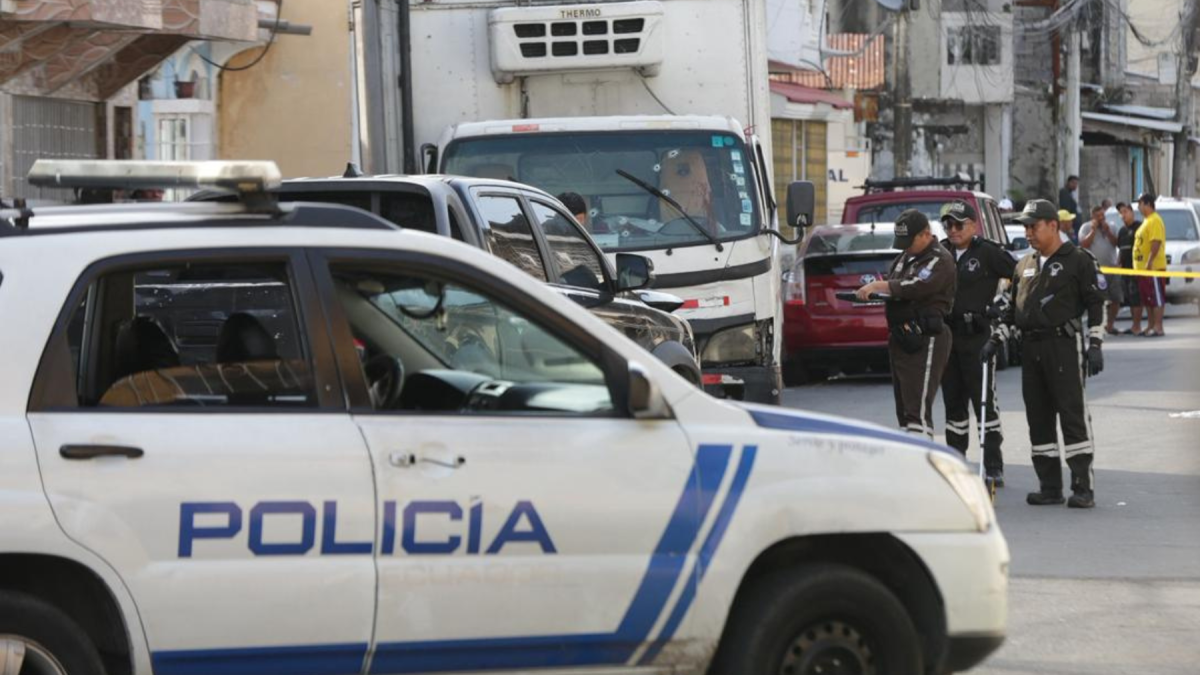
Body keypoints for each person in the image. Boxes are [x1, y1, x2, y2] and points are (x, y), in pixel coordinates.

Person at [987, 199, 1106, 509]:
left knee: (1072, 415)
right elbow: (1011, 310)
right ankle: (1049, 486)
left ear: (1053, 225)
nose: (1028, 232)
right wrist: (997, 338)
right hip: (1031, 348)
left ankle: (1082, 487)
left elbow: (1096, 304)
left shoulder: (1078, 260)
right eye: (1025, 227)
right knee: (1038, 418)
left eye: (1033, 226)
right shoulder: (1024, 265)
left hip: (1063, 347)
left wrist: (1095, 344)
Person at [856, 209, 956, 439]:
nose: (905, 246)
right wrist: (874, 292)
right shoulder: (904, 257)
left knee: (917, 411)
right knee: (905, 410)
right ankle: (910, 461)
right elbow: (896, 284)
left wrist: (877, 287)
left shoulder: (939, 259)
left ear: (925, 234)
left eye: (909, 241)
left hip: (926, 336)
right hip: (902, 336)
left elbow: (915, 285)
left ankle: (923, 466)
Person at [939, 201, 1015, 485]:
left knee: (984, 403)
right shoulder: (941, 252)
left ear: (973, 225)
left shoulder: (988, 252)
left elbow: (1021, 276)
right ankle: (956, 465)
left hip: (977, 336)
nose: (953, 230)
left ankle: (993, 466)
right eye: (948, 225)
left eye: (959, 224)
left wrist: (1002, 303)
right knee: (953, 406)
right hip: (948, 337)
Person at [1079, 205, 1122, 335]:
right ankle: (1096, 327)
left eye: (1103, 216)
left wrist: (1108, 232)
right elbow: (1083, 245)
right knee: (1096, 300)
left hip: (1112, 269)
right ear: (1092, 216)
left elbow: (1117, 243)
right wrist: (1093, 231)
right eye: (1098, 216)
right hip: (1095, 270)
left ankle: (1110, 325)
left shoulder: (1112, 226)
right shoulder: (1086, 227)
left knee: (1115, 298)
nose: (1101, 219)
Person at [1134, 192, 1167, 337]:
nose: (1139, 207)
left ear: (1147, 204)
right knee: (1147, 298)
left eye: (1140, 204)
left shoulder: (1155, 220)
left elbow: (1156, 242)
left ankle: (1158, 327)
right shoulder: (1146, 221)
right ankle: (1150, 325)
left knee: (1156, 298)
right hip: (1142, 269)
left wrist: (1149, 261)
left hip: (1152, 267)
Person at [1115, 202, 1143, 334]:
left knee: (1136, 298)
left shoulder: (1139, 227)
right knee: (1130, 299)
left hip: (1136, 269)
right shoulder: (1122, 231)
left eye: (1125, 211)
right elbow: (1121, 249)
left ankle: (1137, 326)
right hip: (1124, 270)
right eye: (1121, 212)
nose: (1123, 215)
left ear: (1132, 212)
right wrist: (1118, 262)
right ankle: (1133, 326)